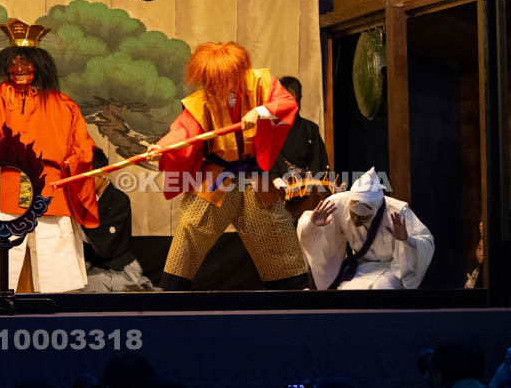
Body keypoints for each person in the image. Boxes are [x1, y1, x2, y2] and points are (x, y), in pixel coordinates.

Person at [151, 41, 307, 291]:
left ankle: (293, 292)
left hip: (255, 174)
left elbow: (286, 103)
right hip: (216, 174)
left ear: (237, 71)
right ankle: (171, 294)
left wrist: (261, 111)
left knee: (274, 230)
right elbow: (183, 132)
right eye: (212, 79)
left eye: (222, 77)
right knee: (190, 228)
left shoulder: (262, 83)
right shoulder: (201, 100)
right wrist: (163, 147)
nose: (217, 85)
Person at [0, 18, 99, 293]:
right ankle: (3, 297)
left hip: (50, 182)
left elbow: (82, 144)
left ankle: (52, 298)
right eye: (14, 64)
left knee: (50, 242)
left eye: (26, 64)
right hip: (8, 181)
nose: (19, 69)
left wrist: (71, 164)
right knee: (6, 244)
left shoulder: (63, 104)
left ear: (39, 65)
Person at [297, 167, 434, 289]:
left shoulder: (397, 211)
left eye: (363, 217)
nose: (356, 220)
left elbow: (425, 242)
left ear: (376, 210)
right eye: (354, 214)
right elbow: (308, 231)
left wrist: (407, 240)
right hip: (361, 266)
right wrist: (312, 224)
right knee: (347, 291)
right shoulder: (338, 203)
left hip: (390, 267)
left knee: (380, 289)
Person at [80, 148, 155, 292]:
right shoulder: (81, 200)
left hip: (118, 266)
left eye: (89, 177)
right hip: (89, 265)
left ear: (103, 173)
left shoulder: (119, 200)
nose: (84, 182)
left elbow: (106, 245)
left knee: (98, 287)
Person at [269, 76, 329, 186]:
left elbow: (318, 162)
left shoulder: (311, 129)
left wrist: (310, 183)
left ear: (298, 100)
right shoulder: (270, 130)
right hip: (279, 186)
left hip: (308, 186)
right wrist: (279, 181)